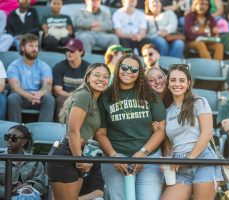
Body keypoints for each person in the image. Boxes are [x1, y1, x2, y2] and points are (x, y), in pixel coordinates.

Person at [96, 53, 166, 200]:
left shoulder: (150, 94)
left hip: (149, 156)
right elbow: (100, 133)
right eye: (125, 67)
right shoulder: (105, 96)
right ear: (118, 68)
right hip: (117, 156)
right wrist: (114, 156)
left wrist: (143, 153)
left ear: (139, 73)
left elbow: (161, 130)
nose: (128, 72)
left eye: (134, 69)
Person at [47, 63, 111, 200]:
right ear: (88, 78)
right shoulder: (84, 96)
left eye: (106, 76)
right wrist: (80, 161)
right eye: (97, 75)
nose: (102, 79)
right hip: (67, 155)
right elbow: (73, 131)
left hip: (76, 154)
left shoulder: (94, 99)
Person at [161, 64, 223, 200]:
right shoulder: (167, 111)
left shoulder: (199, 102)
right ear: (168, 83)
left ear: (188, 83)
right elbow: (169, 144)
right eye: (173, 80)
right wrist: (167, 160)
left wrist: (187, 159)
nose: (177, 84)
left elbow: (207, 134)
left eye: (182, 80)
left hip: (202, 160)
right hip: (179, 165)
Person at [7, 33, 55, 123]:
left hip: (38, 98)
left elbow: (47, 86)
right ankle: (15, 131)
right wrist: (28, 96)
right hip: (22, 98)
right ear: (22, 48)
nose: (34, 49)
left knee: (49, 99)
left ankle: (43, 132)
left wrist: (39, 94)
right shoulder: (14, 66)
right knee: (13, 97)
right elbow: (15, 87)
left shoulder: (43, 66)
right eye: (31, 46)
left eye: (36, 46)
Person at [0, 124, 46, 199]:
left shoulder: (35, 161)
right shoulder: (0, 158)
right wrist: (9, 191)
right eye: (7, 137)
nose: (9, 140)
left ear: (24, 141)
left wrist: (27, 185)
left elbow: (41, 186)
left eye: (14, 138)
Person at [53, 38, 90, 121]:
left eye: (72, 51)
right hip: (66, 97)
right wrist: (73, 97)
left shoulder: (88, 68)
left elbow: (90, 90)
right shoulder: (59, 67)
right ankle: (60, 128)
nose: (68, 53)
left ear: (81, 52)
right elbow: (57, 91)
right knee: (61, 99)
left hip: (83, 98)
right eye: (67, 50)